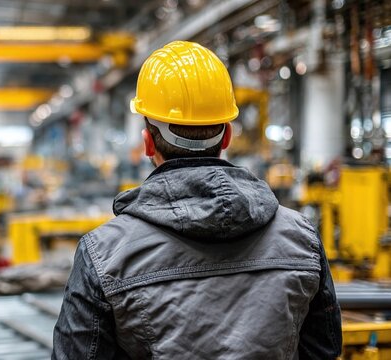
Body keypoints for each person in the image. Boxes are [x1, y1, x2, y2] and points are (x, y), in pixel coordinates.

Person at [52, 41, 341, 359]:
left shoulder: (105, 254)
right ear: (227, 136)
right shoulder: (301, 237)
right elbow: (323, 350)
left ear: (148, 142)